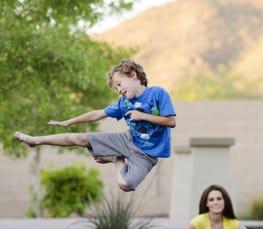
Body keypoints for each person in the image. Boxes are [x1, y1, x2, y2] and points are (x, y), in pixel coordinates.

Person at [14, 59, 176, 192]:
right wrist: (69, 122)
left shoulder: (158, 93)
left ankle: (116, 159)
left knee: (126, 185)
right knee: (81, 139)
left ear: (133, 75)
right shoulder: (124, 103)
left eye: (119, 84)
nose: (119, 90)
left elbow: (171, 121)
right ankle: (35, 140)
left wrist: (142, 116)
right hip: (128, 140)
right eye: (115, 88)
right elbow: (97, 113)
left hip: (147, 155)